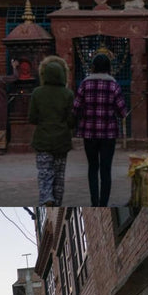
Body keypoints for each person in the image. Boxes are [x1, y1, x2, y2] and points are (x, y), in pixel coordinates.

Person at [73, 53, 128, 207]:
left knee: (92, 167)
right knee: (106, 169)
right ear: (109, 68)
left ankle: (94, 201)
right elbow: (122, 112)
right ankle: (103, 203)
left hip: (89, 133)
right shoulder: (114, 86)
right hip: (108, 134)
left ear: (93, 67)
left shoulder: (85, 84)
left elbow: (75, 108)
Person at [28, 55, 75, 207]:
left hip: (42, 140)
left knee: (45, 173)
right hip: (62, 141)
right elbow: (72, 120)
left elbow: (32, 118)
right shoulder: (68, 94)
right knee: (59, 176)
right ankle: (57, 202)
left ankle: (46, 197)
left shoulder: (37, 93)